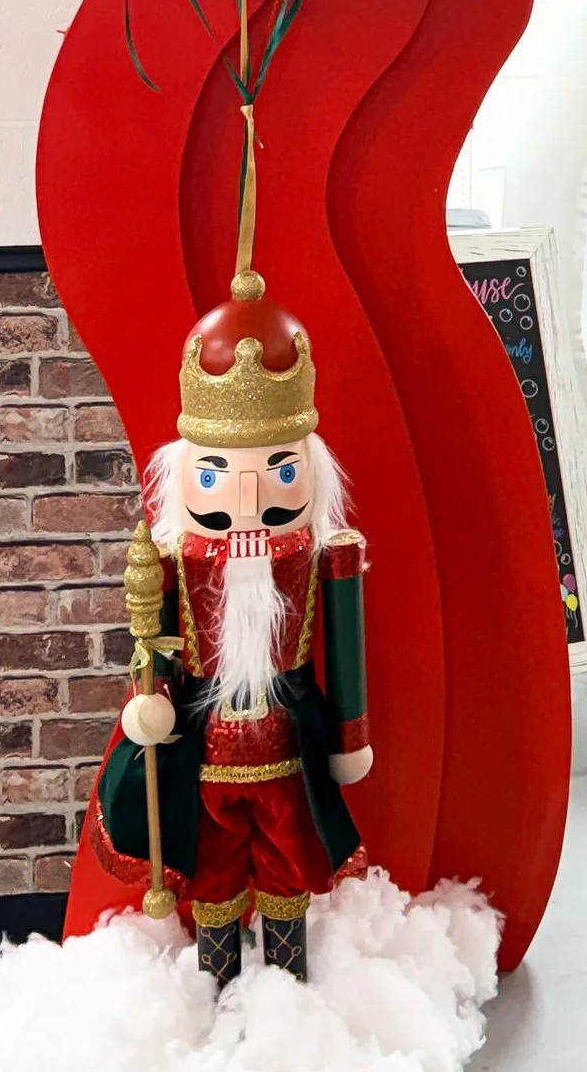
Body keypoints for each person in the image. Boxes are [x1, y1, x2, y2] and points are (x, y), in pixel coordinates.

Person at [86, 275, 373, 984]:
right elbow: (153, 643)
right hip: (204, 750)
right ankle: (217, 987)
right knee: (213, 875)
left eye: (278, 470)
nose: (248, 495)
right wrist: (150, 701)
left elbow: (346, 651)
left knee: (287, 869)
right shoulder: (172, 559)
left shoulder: (322, 556)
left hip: (289, 746)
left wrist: (352, 737)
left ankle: (286, 987)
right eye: (216, 475)